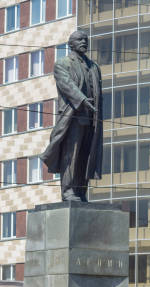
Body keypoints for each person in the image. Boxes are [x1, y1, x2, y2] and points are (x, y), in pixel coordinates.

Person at [41, 30, 103, 202]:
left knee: (86, 155)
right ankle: (68, 191)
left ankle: (81, 191)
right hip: (73, 116)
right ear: (71, 44)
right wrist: (83, 100)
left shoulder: (94, 67)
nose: (84, 41)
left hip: (91, 119)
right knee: (71, 155)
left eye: (86, 39)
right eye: (80, 39)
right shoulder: (62, 63)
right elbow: (67, 85)